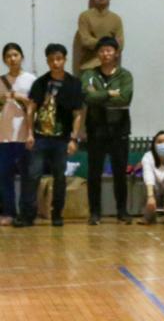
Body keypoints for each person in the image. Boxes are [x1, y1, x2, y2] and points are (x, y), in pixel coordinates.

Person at [16, 44, 83, 228]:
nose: (55, 63)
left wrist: (73, 138)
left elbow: (78, 114)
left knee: (59, 177)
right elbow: (31, 109)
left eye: (59, 59)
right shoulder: (40, 83)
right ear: (47, 61)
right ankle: (28, 215)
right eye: (51, 59)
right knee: (33, 175)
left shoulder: (74, 84)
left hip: (62, 139)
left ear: (65, 60)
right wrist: (30, 133)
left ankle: (57, 214)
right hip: (40, 137)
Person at [81, 35, 133, 224]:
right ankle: (95, 213)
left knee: (120, 173)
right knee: (94, 173)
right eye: (102, 51)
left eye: (109, 50)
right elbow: (87, 97)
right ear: (98, 54)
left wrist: (99, 96)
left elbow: (125, 99)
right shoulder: (89, 74)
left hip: (119, 130)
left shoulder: (125, 75)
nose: (105, 54)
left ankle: (122, 211)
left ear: (116, 53)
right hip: (96, 130)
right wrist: (110, 94)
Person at [0, 43, 35, 226]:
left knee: (27, 176)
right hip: (4, 136)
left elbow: (36, 106)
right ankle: (8, 212)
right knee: (4, 175)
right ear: (4, 60)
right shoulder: (1, 81)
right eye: (8, 56)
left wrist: (21, 98)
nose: (12, 59)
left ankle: (26, 213)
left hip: (24, 135)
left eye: (15, 55)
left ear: (21, 57)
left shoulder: (31, 80)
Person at [74, 0, 124, 74]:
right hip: (89, 66)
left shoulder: (116, 19)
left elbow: (120, 44)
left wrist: (96, 43)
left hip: (111, 68)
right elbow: (85, 41)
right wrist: (109, 43)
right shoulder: (85, 16)